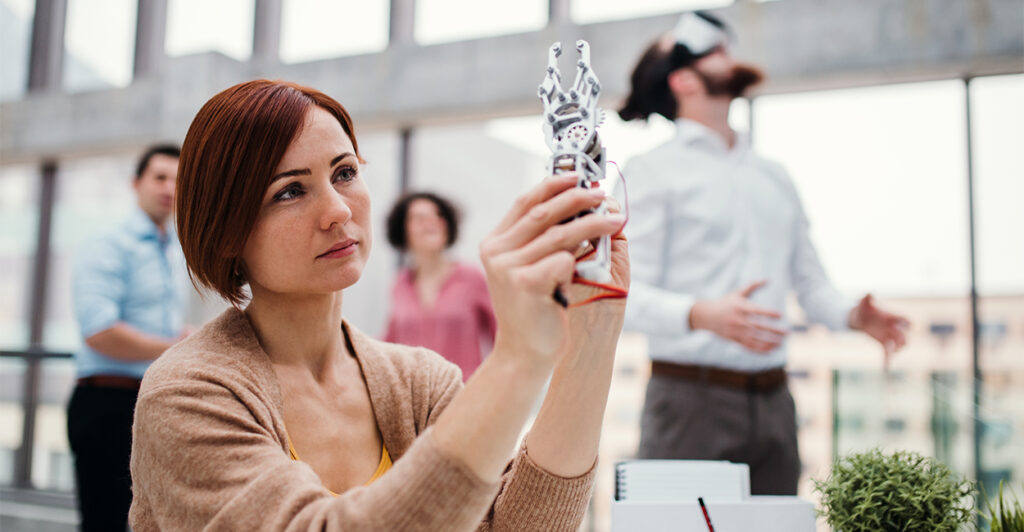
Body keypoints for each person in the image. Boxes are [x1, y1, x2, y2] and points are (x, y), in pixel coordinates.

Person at [128, 80, 630, 531]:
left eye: (344, 172)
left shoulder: (421, 381)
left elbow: (513, 528)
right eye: (290, 191)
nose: (339, 210)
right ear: (225, 230)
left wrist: (594, 333)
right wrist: (517, 359)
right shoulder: (186, 394)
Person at [617, 11, 910, 495]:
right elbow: (620, 293)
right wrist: (699, 314)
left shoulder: (774, 176)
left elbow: (810, 284)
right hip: (689, 404)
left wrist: (852, 317)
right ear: (684, 79)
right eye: (715, 51)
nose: (729, 55)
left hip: (775, 403)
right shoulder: (649, 172)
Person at [68, 144, 190, 531]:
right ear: (135, 183)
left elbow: (164, 327)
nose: (169, 187)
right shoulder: (108, 243)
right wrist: (178, 347)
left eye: (177, 179)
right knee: (106, 521)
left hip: (152, 401)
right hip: (106, 403)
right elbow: (99, 332)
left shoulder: (173, 248)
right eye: (159, 177)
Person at [384, 192, 497, 380]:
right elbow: (391, 343)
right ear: (404, 230)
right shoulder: (400, 283)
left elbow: (502, 336)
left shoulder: (471, 278)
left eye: (438, 215)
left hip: (463, 398)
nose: (432, 222)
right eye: (420, 218)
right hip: (414, 401)